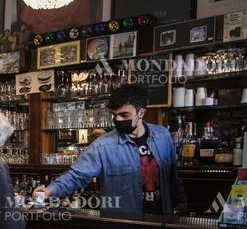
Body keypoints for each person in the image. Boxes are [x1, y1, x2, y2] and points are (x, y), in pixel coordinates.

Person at [33, 84, 187, 216]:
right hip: (122, 223)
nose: (118, 120)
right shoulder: (103, 145)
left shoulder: (163, 136)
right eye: (115, 115)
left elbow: (172, 176)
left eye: (124, 114)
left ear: (141, 113)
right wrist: (50, 190)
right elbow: (77, 175)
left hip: (161, 219)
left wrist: (181, 201)